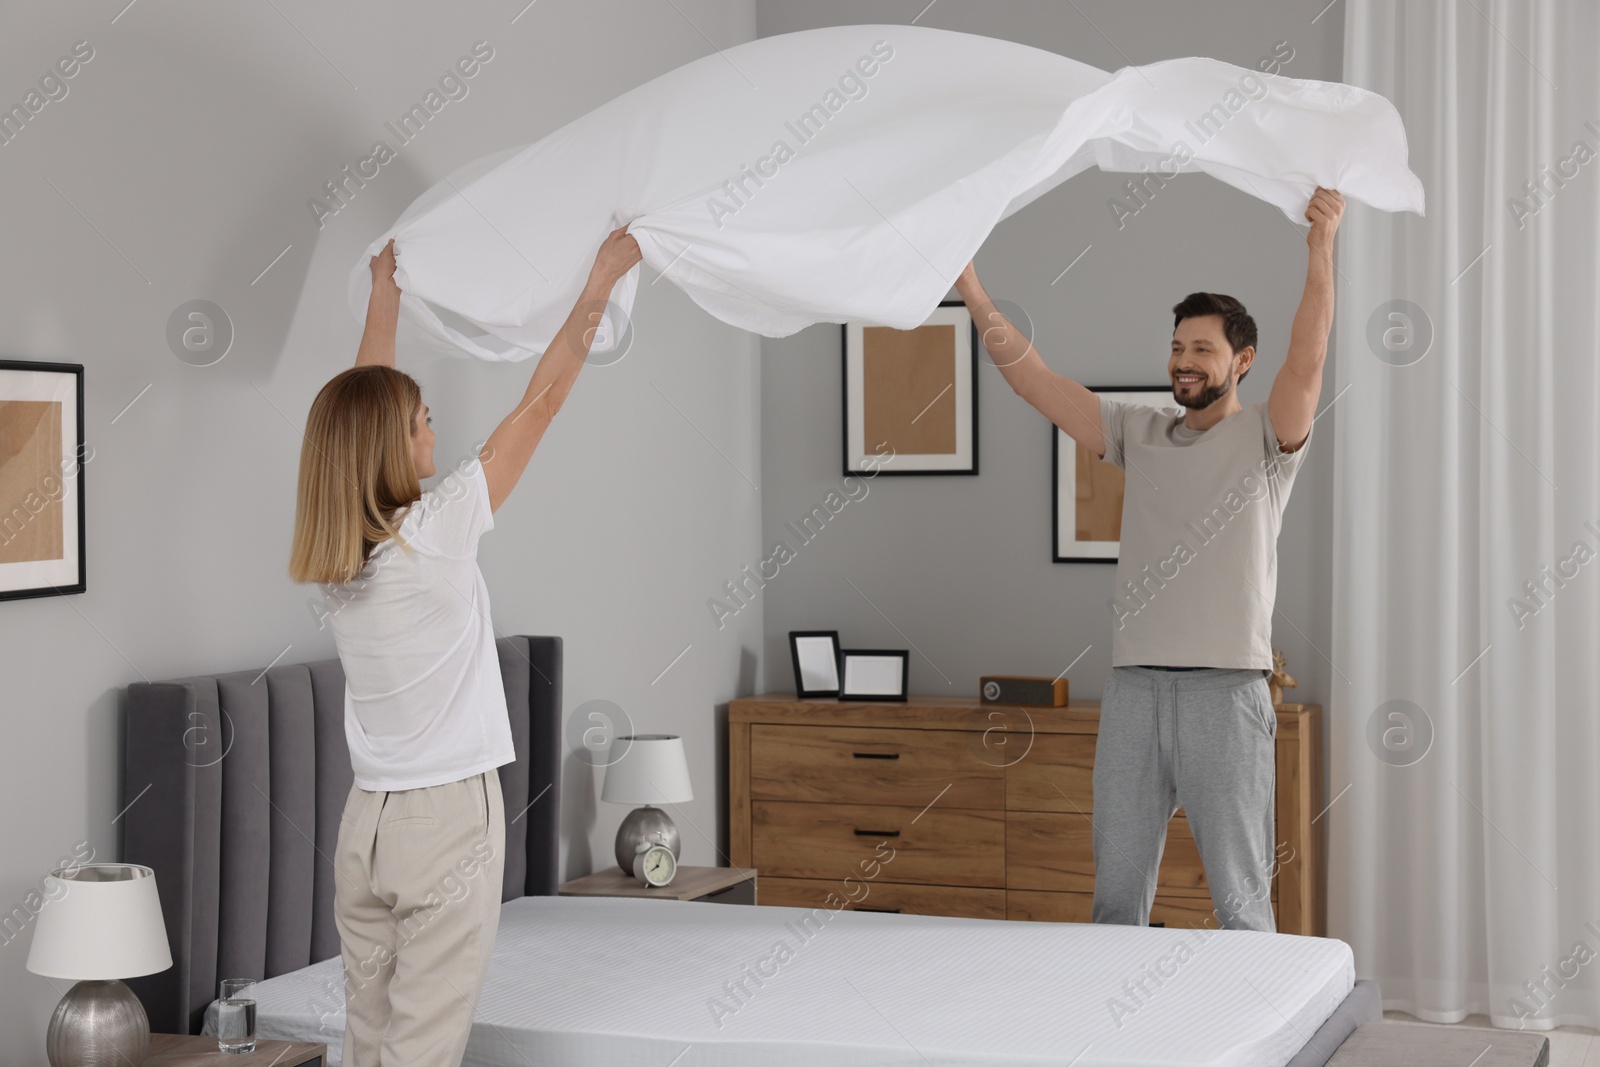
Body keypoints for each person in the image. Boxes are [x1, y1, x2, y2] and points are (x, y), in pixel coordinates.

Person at [287, 225, 642, 1066]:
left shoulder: (339, 558)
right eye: (422, 422)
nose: (434, 436)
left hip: (364, 828)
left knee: (369, 1043)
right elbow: (543, 399)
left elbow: (356, 408)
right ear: (391, 443)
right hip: (446, 822)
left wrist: (387, 295)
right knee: (420, 1053)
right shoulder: (434, 534)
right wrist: (601, 278)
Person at [956, 187, 1345, 932]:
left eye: (1202, 348)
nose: (1184, 361)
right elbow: (1033, 380)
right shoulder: (1141, 431)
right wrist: (972, 287)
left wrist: (1321, 246)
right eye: (1177, 347)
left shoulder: (1270, 439)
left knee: (1239, 900)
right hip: (1134, 692)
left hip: (1226, 697)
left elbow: (1312, 353)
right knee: (1115, 901)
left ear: (1243, 359)